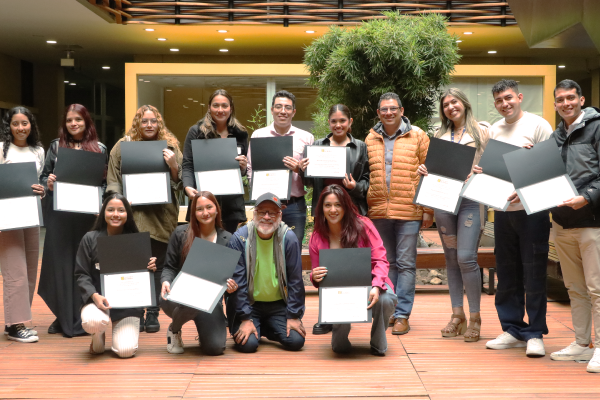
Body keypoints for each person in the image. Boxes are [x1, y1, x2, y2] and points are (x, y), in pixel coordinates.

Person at [480, 79, 553, 357]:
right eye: (498, 100)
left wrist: (525, 192)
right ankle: (512, 329)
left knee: (534, 272)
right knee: (507, 272)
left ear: (519, 97)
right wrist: (480, 171)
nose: (504, 104)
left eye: (508, 98)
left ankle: (534, 333)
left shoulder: (538, 125)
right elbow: (493, 169)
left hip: (531, 211)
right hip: (501, 212)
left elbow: (549, 167)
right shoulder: (495, 129)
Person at [417, 88, 490, 342]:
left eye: (454, 102)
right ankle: (457, 315)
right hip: (444, 201)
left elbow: (494, 165)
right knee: (450, 257)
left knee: (466, 258)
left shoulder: (482, 131)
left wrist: (482, 172)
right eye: (446, 104)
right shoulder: (439, 135)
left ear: (464, 104)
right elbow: (433, 166)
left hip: (471, 201)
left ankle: (475, 318)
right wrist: (424, 169)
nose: (450, 107)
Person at [107, 105, 182, 333]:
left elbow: (180, 181)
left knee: (158, 265)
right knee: (136, 264)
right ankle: (137, 310)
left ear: (159, 123)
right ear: (137, 123)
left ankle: (153, 312)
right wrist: (119, 200)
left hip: (162, 215)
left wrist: (173, 165)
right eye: (144, 121)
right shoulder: (122, 147)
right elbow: (113, 178)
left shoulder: (171, 147)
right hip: (134, 215)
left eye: (153, 121)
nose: (149, 125)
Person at [365, 92, 433, 336]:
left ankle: (403, 314)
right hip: (379, 211)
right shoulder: (370, 138)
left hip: (409, 211)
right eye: (384, 109)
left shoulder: (418, 136)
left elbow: (430, 172)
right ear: (378, 113)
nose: (389, 113)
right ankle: (391, 310)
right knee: (386, 262)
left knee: (406, 264)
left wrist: (427, 210)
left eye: (393, 108)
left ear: (402, 111)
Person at [38, 104, 108, 337]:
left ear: (87, 122)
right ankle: (62, 315)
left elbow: (105, 183)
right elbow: (43, 177)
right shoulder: (56, 147)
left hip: (88, 217)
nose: (73, 124)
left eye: (78, 119)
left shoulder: (99, 148)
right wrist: (48, 183)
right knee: (60, 264)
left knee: (85, 264)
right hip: (61, 215)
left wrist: (102, 205)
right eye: (69, 120)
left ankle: (86, 312)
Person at [299, 103, 370, 335]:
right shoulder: (317, 146)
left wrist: (355, 186)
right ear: (329, 123)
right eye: (333, 121)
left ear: (350, 122)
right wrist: (302, 170)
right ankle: (326, 315)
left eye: (342, 121)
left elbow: (368, 182)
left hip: (352, 212)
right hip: (325, 212)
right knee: (325, 262)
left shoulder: (360, 147)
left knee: (349, 261)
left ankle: (350, 309)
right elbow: (309, 183)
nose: (338, 125)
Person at [547, 79, 600, 372]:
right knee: (575, 287)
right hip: (562, 221)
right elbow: (544, 174)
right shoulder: (556, 136)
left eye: (570, 98)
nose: (565, 103)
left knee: (597, 287)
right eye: (560, 100)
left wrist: (587, 198)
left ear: (581, 99)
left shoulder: (597, 127)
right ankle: (581, 344)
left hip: (592, 220)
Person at [309, 184, 397, 354]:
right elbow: (316, 275)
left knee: (386, 300)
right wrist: (315, 276)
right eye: (328, 205)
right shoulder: (317, 237)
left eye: (338, 205)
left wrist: (376, 286)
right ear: (321, 209)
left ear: (346, 206)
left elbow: (381, 259)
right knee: (338, 348)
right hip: (338, 290)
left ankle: (378, 343)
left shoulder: (363, 225)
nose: (333, 210)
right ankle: (341, 337)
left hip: (371, 283)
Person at [75, 192, 157, 358]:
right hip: (98, 302)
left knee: (125, 351)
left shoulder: (136, 241)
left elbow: (142, 279)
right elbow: (81, 274)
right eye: (110, 210)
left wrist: (150, 267)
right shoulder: (90, 239)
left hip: (127, 307)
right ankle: (97, 335)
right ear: (103, 212)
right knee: (93, 322)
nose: (115, 214)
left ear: (128, 214)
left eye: (121, 210)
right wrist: (94, 295)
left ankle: (117, 331)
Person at [226, 192, 305, 353]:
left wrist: (293, 316)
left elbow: (295, 280)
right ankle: (256, 325)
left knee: (296, 341)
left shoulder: (288, 238)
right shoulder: (240, 239)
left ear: (280, 215)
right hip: (249, 304)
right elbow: (238, 282)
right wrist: (245, 318)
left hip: (278, 303)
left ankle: (263, 327)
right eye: (262, 212)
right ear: (254, 213)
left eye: (272, 213)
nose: (267, 217)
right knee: (248, 345)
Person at [160, 191, 237, 354]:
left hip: (210, 301)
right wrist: (166, 281)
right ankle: (174, 329)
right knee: (191, 301)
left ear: (217, 210)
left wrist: (231, 286)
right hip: (179, 296)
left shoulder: (228, 239)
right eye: (199, 209)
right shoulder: (180, 234)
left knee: (216, 348)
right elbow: (169, 267)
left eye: (209, 207)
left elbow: (232, 275)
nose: (205, 213)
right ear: (193, 213)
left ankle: (204, 330)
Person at [0, 107, 45, 343]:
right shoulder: (1, 149)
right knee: (14, 270)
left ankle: (15, 322)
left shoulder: (38, 150)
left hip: (30, 215)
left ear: (31, 125)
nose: (20, 128)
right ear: (8, 126)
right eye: (15, 123)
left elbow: (40, 182)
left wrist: (42, 189)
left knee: (28, 270)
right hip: (7, 218)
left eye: (24, 123)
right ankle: (16, 325)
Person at [247, 90, 315, 243]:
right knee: (265, 248)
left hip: (294, 206)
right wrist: (257, 191)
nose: (283, 111)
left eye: (287, 107)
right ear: (272, 110)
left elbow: (313, 178)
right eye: (278, 107)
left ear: (294, 112)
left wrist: (299, 170)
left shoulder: (306, 137)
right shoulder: (258, 135)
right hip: (266, 205)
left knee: (293, 249)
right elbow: (250, 168)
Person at [182, 89, 249, 234]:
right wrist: (187, 186)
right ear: (209, 108)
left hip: (231, 205)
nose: (220, 110)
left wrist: (243, 168)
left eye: (224, 106)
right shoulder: (196, 132)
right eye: (216, 105)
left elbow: (243, 171)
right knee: (204, 248)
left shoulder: (240, 133)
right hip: (203, 204)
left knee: (229, 248)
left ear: (231, 108)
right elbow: (187, 164)